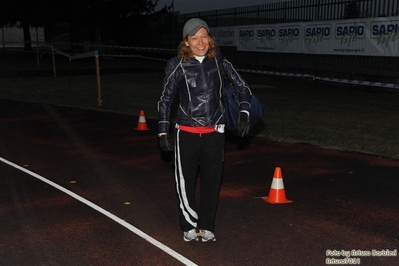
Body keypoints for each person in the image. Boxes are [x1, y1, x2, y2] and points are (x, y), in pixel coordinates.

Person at [157, 18, 253, 242]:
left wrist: (245, 112)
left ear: (210, 39)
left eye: (204, 36)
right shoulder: (176, 65)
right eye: (194, 38)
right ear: (187, 42)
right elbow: (166, 99)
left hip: (214, 134)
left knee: (212, 181)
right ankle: (189, 225)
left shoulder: (220, 62)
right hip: (186, 133)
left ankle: (207, 226)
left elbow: (243, 88)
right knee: (185, 182)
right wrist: (163, 131)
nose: (200, 42)